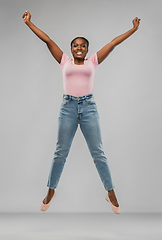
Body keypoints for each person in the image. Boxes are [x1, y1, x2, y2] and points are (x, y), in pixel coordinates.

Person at [22, 11, 141, 214]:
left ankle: (110, 192)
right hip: (67, 108)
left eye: (83, 45)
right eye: (75, 45)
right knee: (60, 153)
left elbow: (113, 43)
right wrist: (28, 23)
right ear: (71, 49)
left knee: (98, 153)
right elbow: (47, 40)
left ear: (87, 49)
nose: (79, 48)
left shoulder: (92, 62)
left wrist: (133, 29)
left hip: (88, 108)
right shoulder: (64, 62)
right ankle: (51, 190)